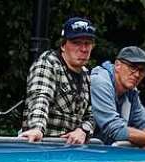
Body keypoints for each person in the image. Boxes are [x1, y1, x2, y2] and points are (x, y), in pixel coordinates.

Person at [19, 16, 96, 145]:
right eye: (76, 43)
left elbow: (93, 114)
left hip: (70, 153)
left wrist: (83, 130)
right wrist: (37, 128)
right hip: (41, 147)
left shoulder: (86, 74)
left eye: (87, 43)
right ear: (63, 45)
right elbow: (41, 96)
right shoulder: (48, 63)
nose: (83, 49)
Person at [89, 46, 145, 150]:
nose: (137, 74)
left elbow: (144, 122)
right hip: (79, 153)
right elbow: (114, 128)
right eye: (132, 67)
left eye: (142, 70)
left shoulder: (131, 91)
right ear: (117, 65)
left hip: (104, 153)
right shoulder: (100, 81)